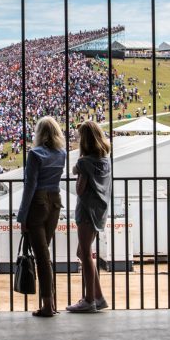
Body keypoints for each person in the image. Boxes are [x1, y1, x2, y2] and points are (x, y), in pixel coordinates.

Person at [17, 116, 66, 318]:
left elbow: (30, 185)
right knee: (45, 254)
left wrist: (22, 216)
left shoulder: (35, 154)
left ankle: (47, 305)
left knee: (42, 258)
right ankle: (51, 301)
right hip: (55, 201)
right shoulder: (61, 153)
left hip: (37, 202)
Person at [66, 120, 111, 313]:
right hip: (100, 210)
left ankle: (89, 299)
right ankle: (99, 297)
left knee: (85, 253)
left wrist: (77, 170)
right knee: (82, 252)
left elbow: (80, 189)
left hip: (86, 211)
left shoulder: (84, 162)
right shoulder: (105, 160)